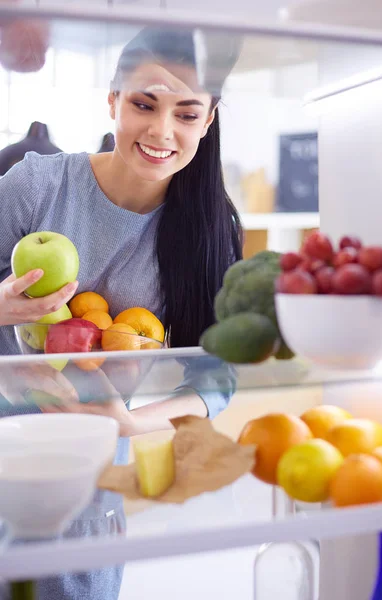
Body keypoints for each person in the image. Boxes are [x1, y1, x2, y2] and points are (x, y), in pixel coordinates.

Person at [0, 26, 242, 599]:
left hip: (88, 482)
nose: (162, 131)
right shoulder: (35, 187)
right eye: (143, 104)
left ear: (207, 122)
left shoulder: (210, 229)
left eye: (186, 114)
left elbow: (218, 375)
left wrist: (130, 423)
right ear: (112, 100)